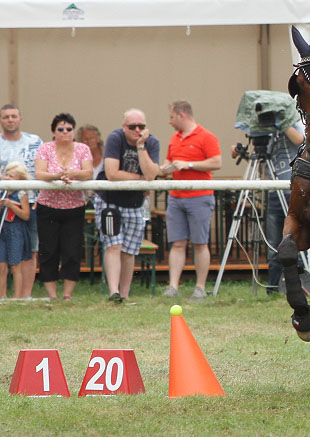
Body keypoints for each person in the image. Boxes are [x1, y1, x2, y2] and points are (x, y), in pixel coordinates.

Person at [94, 109, 161, 304]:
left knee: (130, 250)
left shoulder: (152, 142)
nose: (137, 130)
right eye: (132, 127)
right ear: (124, 127)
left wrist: (141, 147)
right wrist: (141, 179)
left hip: (135, 203)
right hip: (109, 200)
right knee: (113, 245)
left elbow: (151, 174)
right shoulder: (115, 138)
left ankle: (125, 294)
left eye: (141, 126)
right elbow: (112, 173)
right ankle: (113, 292)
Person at [230, 121, 304, 294]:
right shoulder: (265, 134)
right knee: (272, 243)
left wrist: (281, 120)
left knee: (297, 240)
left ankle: (300, 285)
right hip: (273, 193)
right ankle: (272, 286)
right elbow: (262, 168)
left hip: (292, 190)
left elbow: (300, 139)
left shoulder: (292, 125)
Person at [161, 100, 221, 300]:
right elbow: (170, 159)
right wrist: (167, 166)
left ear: (182, 115)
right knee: (177, 243)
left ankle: (200, 287)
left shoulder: (207, 136)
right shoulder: (174, 138)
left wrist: (189, 164)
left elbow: (216, 162)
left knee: (200, 243)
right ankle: (173, 286)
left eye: (171, 117)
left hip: (200, 196)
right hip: (176, 196)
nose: (169, 121)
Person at [33, 113, 94, 301]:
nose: (65, 132)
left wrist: (71, 173)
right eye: (61, 129)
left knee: (72, 251)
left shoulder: (83, 149)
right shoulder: (45, 149)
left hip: (74, 207)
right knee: (48, 251)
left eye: (69, 129)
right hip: (48, 207)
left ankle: (67, 295)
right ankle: (52, 295)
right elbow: (40, 174)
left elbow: (88, 173)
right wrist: (57, 176)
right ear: (53, 132)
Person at [0, 104, 43, 298]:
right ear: (1, 120)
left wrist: (40, 196)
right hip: (3, 205)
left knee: (30, 249)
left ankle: (25, 296)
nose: (10, 120)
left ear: (20, 119)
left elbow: (42, 170)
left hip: (31, 201)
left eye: (14, 116)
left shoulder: (35, 141)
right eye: (6, 117)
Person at [0, 162, 32, 299]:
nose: (7, 178)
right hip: (3, 230)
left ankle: (17, 297)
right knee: (1, 265)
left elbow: (26, 215)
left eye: (11, 176)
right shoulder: (2, 192)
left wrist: (11, 206)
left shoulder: (21, 194)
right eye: (6, 175)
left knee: (15, 265)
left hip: (16, 231)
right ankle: (2, 295)